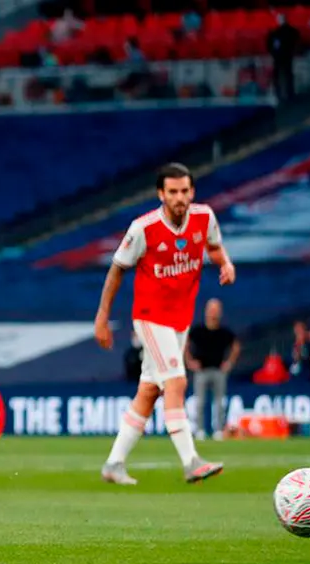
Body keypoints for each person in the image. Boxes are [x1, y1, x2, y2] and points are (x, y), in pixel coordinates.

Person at [95, 163, 236, 486]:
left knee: (149, 390)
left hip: (180, 319)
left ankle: (114, 464)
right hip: (150, 316)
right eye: (172, 192)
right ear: (161, 194)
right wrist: (102, 317)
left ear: (192, 192)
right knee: (176, 382)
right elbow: (116, 270)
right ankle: (191, 461)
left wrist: (225, 263)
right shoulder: (143, 229)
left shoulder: (204, 218)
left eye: (185, 191)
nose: (179, 198)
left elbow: (214, 246)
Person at [185, 298, 240, 441]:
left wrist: (229, 363)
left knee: (220, 402)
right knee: (200, 402)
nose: (213, 313)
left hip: (218, 371)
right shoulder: (198, 330)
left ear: (220, 312)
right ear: (206, 311)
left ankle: (219, 430)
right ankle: (200, 430)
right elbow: (185, 343)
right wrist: (189, 361)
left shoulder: (224, 332)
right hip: (201, 371)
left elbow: (236, 346)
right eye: (211, 309)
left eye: (216, 309)